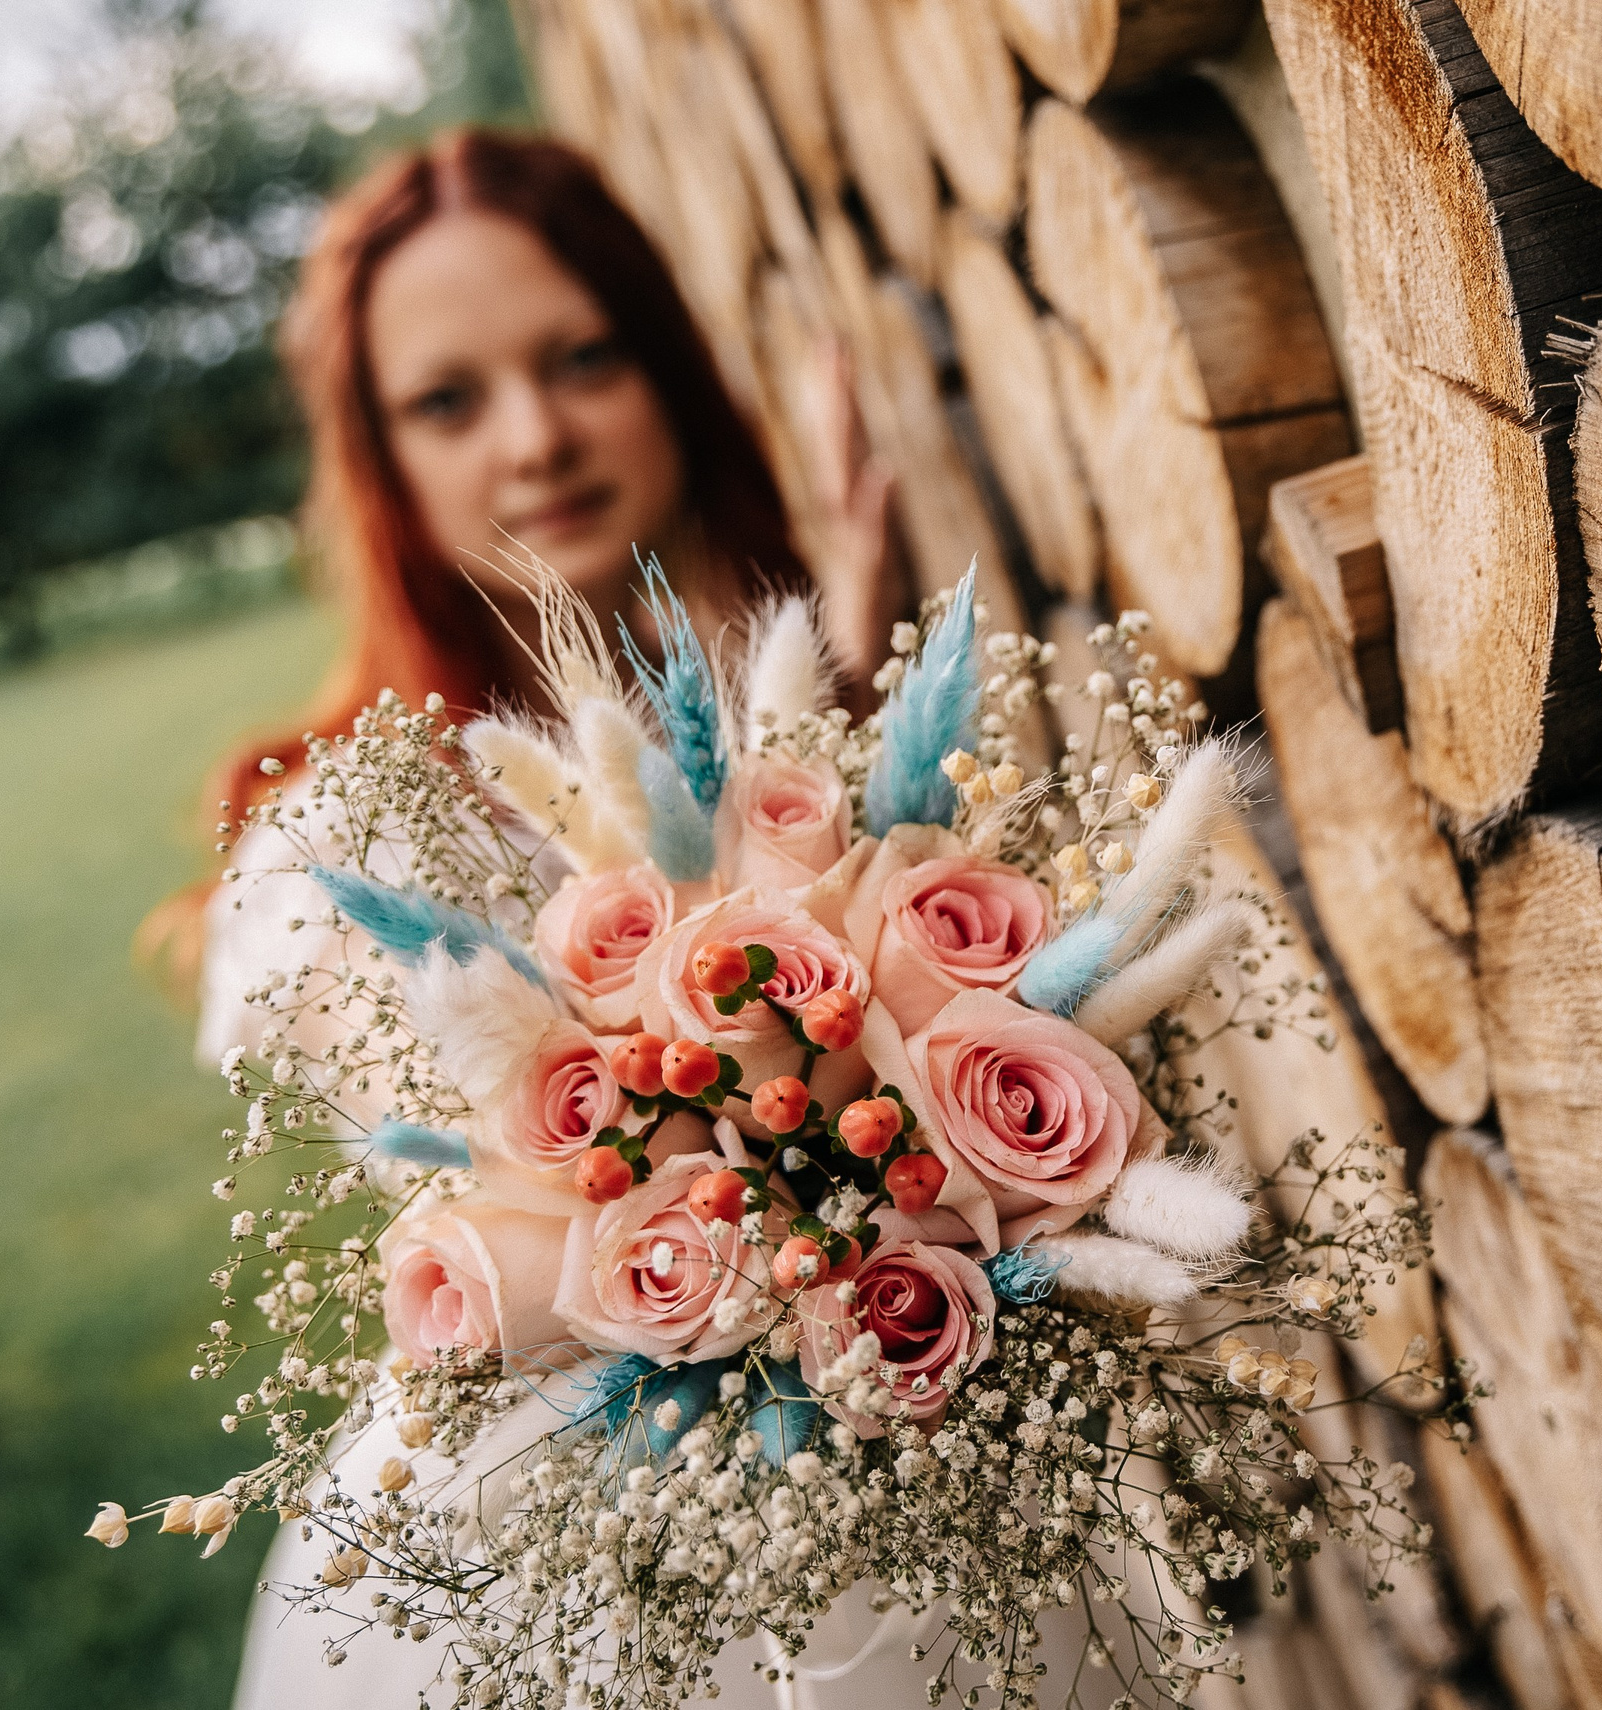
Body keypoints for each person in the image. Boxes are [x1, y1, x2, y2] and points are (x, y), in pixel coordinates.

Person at [192, 130, 1099, 1707]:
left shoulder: (814, 748)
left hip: (922, 1505)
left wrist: (830, 722)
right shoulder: (332, 843)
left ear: (667, 364)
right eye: (450, 399)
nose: (537, 437)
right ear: (381, 457)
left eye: (584, 357)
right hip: (544, 1571)